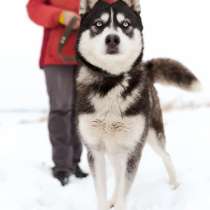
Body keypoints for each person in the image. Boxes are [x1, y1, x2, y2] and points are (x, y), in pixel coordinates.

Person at [26, 0, 88, 186]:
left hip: (88, 55)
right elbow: (34, 8)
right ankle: (62, 165)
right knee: (61, 108)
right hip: (56, 55)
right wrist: (60, 16)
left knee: (81, 111)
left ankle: (75, 162)